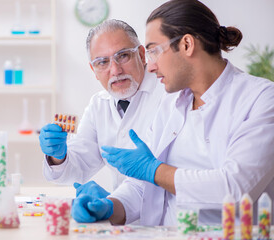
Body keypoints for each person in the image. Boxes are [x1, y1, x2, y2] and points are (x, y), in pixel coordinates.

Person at [71, 0, 274, 226]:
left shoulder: (261, 98)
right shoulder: (173, 102)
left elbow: (235, 187)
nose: (150, 66)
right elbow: (142, 186)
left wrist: (155, 170)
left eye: (154, 51)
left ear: (187, 44)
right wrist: (111, 207)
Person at [39, 19, 166, 195]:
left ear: (142, 55)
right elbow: (79, 167)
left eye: (123, 56)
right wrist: (58, 156)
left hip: (170, 217)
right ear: (94, 71)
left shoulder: (168, 94)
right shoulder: (99, 104)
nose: (115, 70)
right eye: (102, 62)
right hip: (121, 216)